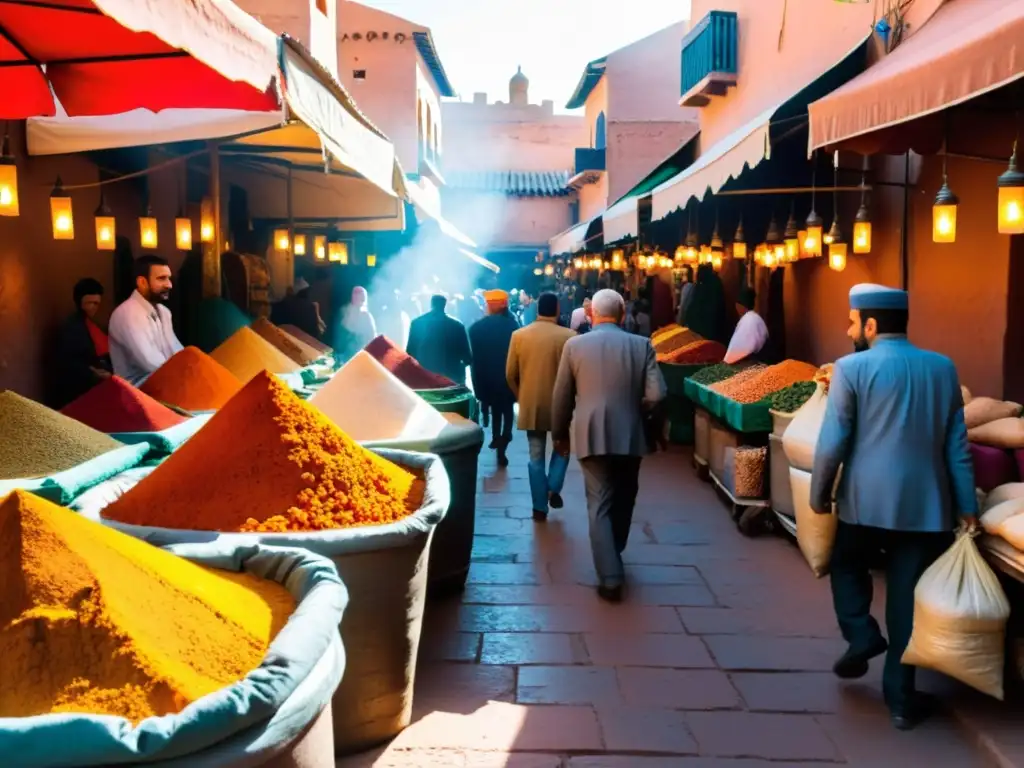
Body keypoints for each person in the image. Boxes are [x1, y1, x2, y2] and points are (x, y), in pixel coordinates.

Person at [810, 283, 977, 732]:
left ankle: (862, 635)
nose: (848, 328)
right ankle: (902, 703)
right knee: (906, 601)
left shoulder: (850, 368)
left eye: (851, 320)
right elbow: (956, 447)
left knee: (845, 565)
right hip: (928, 509)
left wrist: (819, 493)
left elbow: (833, 441)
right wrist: (967, 507)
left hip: (864, 503)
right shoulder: (943, 369)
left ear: (870, 324)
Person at [551, 289, 666, 602]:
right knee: (626, 496)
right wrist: (634, 409)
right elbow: (657, 395)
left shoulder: (574, 346)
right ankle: (613, 551)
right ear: (622, 311)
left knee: (599, 502)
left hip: (590, 433)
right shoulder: (641, 345)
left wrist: (558, 432)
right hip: (631, 434)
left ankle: (610, 575)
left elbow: (561, 397)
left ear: (591, 314)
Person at [506, 292, 576, 521]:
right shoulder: (570, 336)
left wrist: (521, 396)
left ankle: (539, 506)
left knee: (535, 455)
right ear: (556, 309)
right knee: (562, 448)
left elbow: (510, 374)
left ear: (537, 309)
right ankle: (552, 488)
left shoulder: (519, 335)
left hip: (531, 403)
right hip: (561, 406)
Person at [108, 256, 183, 386]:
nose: (169, 285)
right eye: (161, 278)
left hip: (166, 385)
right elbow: (149, 363)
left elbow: (176, 352)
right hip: (136, 393)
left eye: (169, 278)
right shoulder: (128, 313)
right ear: (142, 282)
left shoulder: (164, 312)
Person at [469, 290, 520, 466]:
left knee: (496, 411)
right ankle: (504, 441)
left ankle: (498, 437)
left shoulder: (476, 328)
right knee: (507, 410)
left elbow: (472, 359)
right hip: (507, 376)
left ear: (489, 306)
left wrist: (477, 383)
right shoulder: (514, 326)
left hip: (486, 378)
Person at [53, 278, 113, 406]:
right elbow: (68, 362)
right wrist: (95, 373)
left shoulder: (92, 324)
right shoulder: (72, 328)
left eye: (96, 303)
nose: (93, 307)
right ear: (79, 302)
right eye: (89, 303)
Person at [406, 294, 473, 385]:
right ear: (445, 305)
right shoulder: (457, 325)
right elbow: (467, 357)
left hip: (426, 375)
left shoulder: (417, 323)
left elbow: (410, 352)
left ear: (431, 304)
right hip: (451, 376)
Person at [723, 286, 769, 364]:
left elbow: (738, 352)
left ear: (739, 306)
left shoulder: (750, 320)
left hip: (757, 365)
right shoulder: (753, 317)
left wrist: (726, 363)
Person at [340, 285, 377, 352]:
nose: (355, 295)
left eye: (358, 293)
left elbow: (372, 338)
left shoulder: (367, 316)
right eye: (354, 293)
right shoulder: (346, 312)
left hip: (359, 352)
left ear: (363, 297)